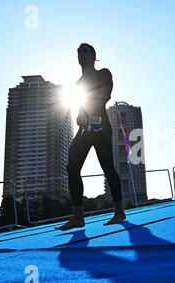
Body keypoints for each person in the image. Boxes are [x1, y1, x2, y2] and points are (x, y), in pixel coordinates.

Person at [56, 43, 126, 231]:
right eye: (78, 53)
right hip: (84, 129)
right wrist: (80, 117)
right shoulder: (78, 83)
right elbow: (79, 108)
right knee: (72, 167)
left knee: (107, 167)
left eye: (85, 52)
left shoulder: (104, 73)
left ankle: (119, 212)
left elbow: (105, 95)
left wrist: (89, 108)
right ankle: (77, 216)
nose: (81, 55)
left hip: (101, 127)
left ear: (94, 56)